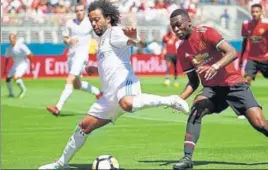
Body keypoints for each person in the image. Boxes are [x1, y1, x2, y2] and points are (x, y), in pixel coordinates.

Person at [38, 1, 189, 169]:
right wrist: (95, 69)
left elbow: (140, 44)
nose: (94, 23)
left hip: (125, 86)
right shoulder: (102, 39)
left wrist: (136, 38)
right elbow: (111, 63)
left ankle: (171, 100)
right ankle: (61, 163)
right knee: (84, 125)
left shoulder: (114, 32)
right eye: (91, 20)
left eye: (97, 19)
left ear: (108, 19)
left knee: (126, 103)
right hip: (110, 96)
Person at [169, 9, 268, 170]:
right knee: (197, 109)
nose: (176, 29)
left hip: (234, 85)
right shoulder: (182, 50)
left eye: (178, 25)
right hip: (212, 90)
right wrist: (180, 99)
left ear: (188, 21)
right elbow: (193, 83)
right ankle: (187, 158)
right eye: (173, 27)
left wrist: (215, 66)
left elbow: (232, 52)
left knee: (260, 124)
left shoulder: (206, 32)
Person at [46, 3, 102, 116]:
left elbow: (98, 35)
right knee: (77, 85)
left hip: (81, 56)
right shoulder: (70, 23)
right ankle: (98, 93)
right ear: (75, 12)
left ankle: (58, 107)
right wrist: (69, 41)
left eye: (81, 10)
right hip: (71, 55)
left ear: (84, 11)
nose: (79, 12)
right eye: (77, 11)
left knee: (70, 79)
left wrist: (98, 46)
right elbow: (65, 38)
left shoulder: (90, 23)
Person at [239, 4, 268, 85]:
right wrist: (241, 58)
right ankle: (245, 97)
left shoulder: (266, 24)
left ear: (261, 12)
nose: (254, 14)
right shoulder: (246, 24)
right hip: (252, 59)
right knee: (246, 79)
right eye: (253, 12)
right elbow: (244, 42)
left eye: (257, 12)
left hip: (265, 58)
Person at [4, 33, 33, 98]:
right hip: (15, 65)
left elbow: (31, 55)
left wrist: (31, 65)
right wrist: (5, 69)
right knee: (7, 79)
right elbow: (7, 58)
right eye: (10, 38)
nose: (11, 40)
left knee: (15, 77)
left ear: (15, 38)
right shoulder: (9, 48)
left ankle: (23, 90)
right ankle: (11, 94)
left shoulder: (21, 46)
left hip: (23, 64)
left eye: (12, 38)